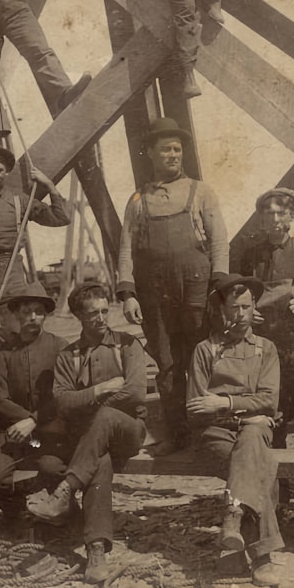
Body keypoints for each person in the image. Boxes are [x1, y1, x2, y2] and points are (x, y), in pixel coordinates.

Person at [117, 117, 228, 453]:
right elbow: (125, 250)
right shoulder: (138, 200)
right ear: (151, 153)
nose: (173, 155)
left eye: (177, 149)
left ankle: (207, 436)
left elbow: (219, 241)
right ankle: (178, 437)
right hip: (155, 295)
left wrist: (219, 286)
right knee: (166, 366)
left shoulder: (201, 191)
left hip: (196, 291)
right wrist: (127, 294)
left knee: (201, 360)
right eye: (165, 149)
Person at [27, 282, 146, 584]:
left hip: (128, 432)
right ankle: (96, 549)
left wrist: (90, 402)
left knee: (104, 417)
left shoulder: (127, 344)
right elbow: (62, 401)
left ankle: (65, 490)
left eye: (106, 311)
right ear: (79, 316)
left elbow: (134, 393)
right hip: (91, 445)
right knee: (100, 462)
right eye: (93, 313)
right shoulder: (69, 356)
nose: (101, 318)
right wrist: (101, 389)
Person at [187, 274, 282, 588]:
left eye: (246, 306)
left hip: (253, 431)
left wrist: (223, 402)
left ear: (254, 307)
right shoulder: (205, 350)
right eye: (234, 308)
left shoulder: (265, 349)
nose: (240, 314)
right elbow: (196, 407)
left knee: (253, 442)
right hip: (216, 434)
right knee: (257, 466)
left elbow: (269, 401)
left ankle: (233, 517)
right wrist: (240, 411)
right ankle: (263, 558)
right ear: (222, 311)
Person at [230, 187, 294, 451]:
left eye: (280, 213)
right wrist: (249, 312)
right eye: (268, 213)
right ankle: (278, 491)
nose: (275, 218)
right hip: (264, 349)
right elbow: (236, 297)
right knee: (270, 418)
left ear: (291, 216)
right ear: (262, 219)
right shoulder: (250, 257)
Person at [0, 281, 65, 498]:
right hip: (14, 431)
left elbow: (65, 395)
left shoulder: (60, 347)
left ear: (46, 316)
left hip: (49, 431)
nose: (33, 317)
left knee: (53, 468)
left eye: (39, 312)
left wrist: (36, 420)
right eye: (27, 312)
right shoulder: (5, 353)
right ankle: (17, 506)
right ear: (17, 315)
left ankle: (56, 509)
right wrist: (25, 421)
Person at [0, 146, 68, 304]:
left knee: (11, 324)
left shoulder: (20, 201)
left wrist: (49, 185)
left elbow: (60, 218)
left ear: (7, 171)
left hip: (9, 277)